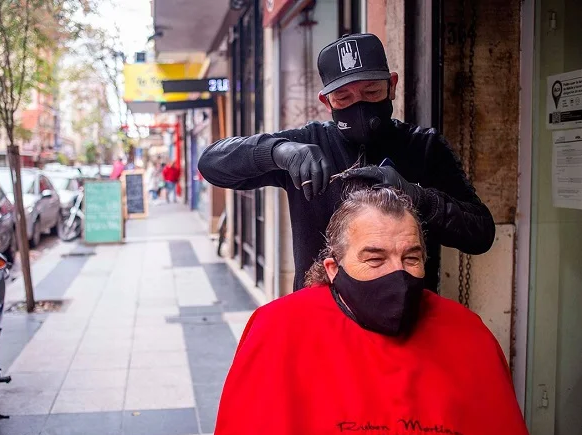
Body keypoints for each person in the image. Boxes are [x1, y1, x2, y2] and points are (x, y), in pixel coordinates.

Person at [213, 188, 530, 435]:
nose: (398, 273)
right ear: (333, 268)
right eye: (375, 259)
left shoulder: (467, 333)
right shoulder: (279, 330)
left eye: (411, 257)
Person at [198, 33, 495, 292]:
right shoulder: (309, 142)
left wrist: (418, 196)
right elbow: (212, 164)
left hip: (404, 316)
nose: (360, 106)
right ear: (326, 102)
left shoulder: (424, 146)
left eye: (371, 92)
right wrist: (278, 152)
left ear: (392, 86)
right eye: (343, 98)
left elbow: (481, 234)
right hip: (320, 320)